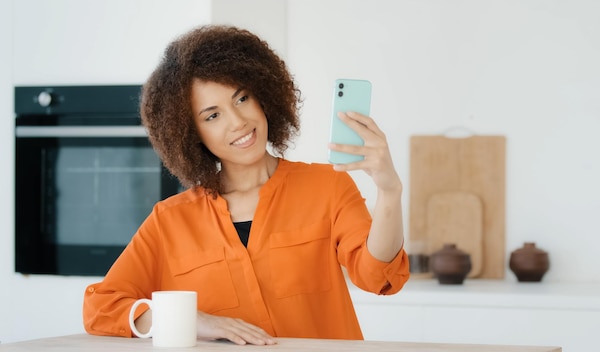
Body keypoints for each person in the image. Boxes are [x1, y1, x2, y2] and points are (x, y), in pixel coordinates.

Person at [83, 24, 409, 346]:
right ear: (190, 134)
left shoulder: (328, 187)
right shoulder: (169, 221)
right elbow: (101, 308)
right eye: (212, 116)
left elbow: (378, 276)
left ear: (263, 94)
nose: (238, 122)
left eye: (241, 99)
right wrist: (192, 320)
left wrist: (389, 191)